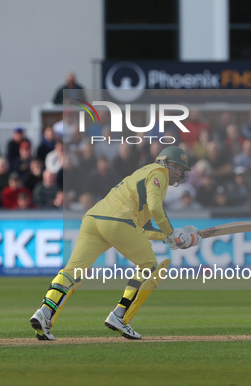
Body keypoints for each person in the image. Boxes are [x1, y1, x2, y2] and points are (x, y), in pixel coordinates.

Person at [29, 146, 201, 341]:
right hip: (119, 221)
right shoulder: (158, 173)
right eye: (176, 167)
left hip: (93, 219)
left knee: (73, 271)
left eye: (181, 170)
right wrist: (173, 233)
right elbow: (155, 207)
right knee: (150, 266)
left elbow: (145, 228)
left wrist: (173, 237)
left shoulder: (143, 173)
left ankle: (44, 313)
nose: (179, 173)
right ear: (165, 163)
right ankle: (120, 316)